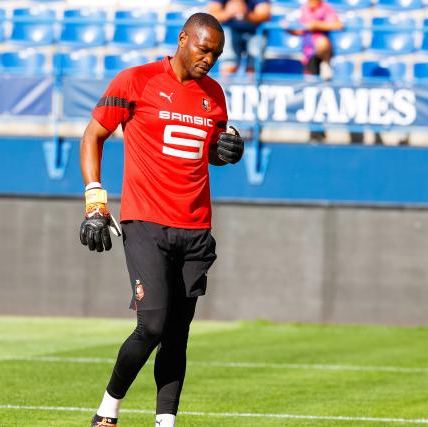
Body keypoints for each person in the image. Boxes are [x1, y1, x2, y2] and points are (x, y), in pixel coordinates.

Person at [79, 13, 244, 427]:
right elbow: (93, 135)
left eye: (217, 54)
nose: (210, 59)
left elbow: (206, 152)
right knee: (151, 325)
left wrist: (225, 152)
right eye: (204, 49)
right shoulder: (136, 81)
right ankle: (107, 411)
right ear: (183, 39)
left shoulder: (215, 95)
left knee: (178, 333)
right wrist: (95, 201)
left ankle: (165, 422)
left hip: (195, 227)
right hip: (146, 223)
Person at [207, 0, 271, 77]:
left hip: (255, 31)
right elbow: (211, 15)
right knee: (228, 63)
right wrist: (229, 13)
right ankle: (225, 87)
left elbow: (265, 15)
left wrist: (246, 14)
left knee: (254, 66)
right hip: (229, 30)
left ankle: (252, 86)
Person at [286, 0, 343, 81]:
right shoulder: (304, 8)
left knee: (321, 42)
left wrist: (317, 25)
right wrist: (289, 29)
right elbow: (300, 30)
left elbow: (338, 25)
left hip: (322, 54)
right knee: (310, 82)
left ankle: (325, 64)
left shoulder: (326, 7)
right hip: (307, 53)